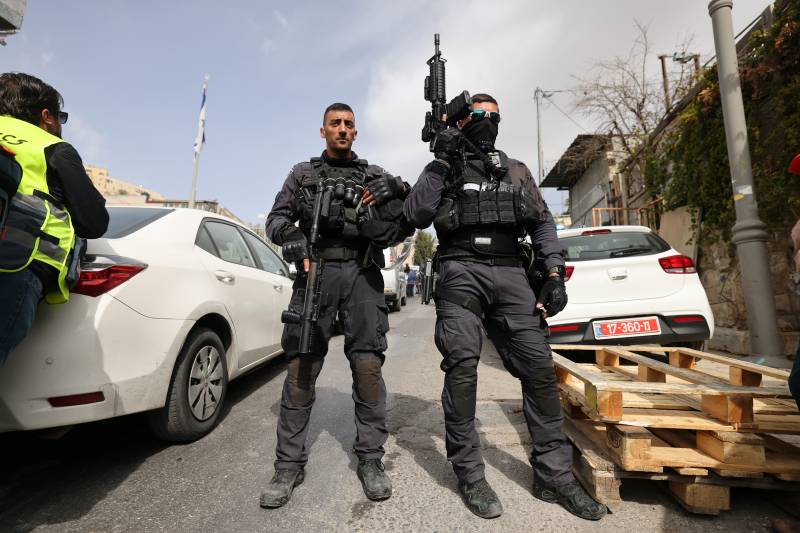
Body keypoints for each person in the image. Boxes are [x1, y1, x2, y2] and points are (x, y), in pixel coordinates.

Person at [401, 93, 606, 520]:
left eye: (494, 115)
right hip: (460, 270)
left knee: (537, 368)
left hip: (511, 272)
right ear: (461, 120)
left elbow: (542, 223)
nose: (486, 121)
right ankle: (470, 472)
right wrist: (440, 160)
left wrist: (553, 272)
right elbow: (417, 213)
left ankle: (554, 475)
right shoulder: (446, 163)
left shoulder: (515, 171)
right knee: (462, 367)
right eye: (478, 114)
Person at [260, 102, 413, 508]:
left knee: (367, 368)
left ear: (356, 132)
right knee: (301, 369)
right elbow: (275, 219)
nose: (342, 130)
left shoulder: (374, 176)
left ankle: (371, 460)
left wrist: (399, 187)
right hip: (316, 275)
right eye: (335, 124)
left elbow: (409, 218)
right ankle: (288, 465)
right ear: (323, 130)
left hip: (362, 275)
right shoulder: (303, 175)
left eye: (348, 124)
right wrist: (290, 236)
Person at [0, 72, 109, 366]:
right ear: (46, 116)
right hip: (15, 265)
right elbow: (94, 222)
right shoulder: (50, 146)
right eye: (60, 118)